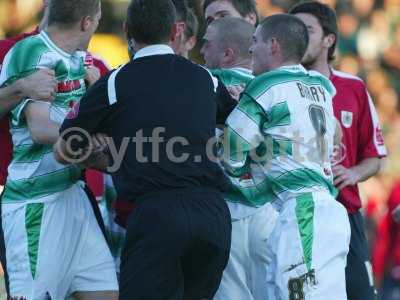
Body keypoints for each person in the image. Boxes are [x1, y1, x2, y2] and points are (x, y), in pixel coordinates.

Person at [54, 0, 232, 299]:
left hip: (156, 215)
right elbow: (238, 123)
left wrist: (109, 160)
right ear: (176, 31)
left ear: (127, 30)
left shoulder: (114, 82)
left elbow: (64, 148)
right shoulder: (206, 78)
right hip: (211, 214)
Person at [221, 14, 350, 299]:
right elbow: (336, 137)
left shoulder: (268, 86)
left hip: (301, 208)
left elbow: (231, 150)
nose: (251, 48)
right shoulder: (321, 88)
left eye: (255, 41)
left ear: (274, 45)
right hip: (326, 206)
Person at [0, 0, 119, 299]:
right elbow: (40, 130)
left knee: (105, 292)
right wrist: (90, 142)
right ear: (87, 22)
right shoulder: (32, 52)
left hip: (74, 196)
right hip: (36, 204)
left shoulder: (86, 63)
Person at [290, 2, 387, 299]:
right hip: (296, 217)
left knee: (359, 294)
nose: (299, 37)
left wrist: (353, 172)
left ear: (329, 39)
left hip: (345, 214)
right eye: (294, 30)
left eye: (307, 30)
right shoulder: (280, 87)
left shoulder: (354, 88)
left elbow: (374, 156)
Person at [200, 16, 277, 300]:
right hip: (266, 210)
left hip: (222, 213)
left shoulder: (200, 83)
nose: (201, 50)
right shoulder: (273, 88)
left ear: (227, 53)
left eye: (206, 44)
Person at [201, 17, 254, 88]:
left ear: (227, 55)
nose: (202, 50)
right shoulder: (268, 85)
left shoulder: (209, 82)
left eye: (207, 44)